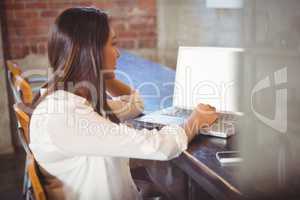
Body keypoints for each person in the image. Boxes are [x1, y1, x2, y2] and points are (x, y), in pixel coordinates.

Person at [29, 7, 218, 200]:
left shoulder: (73, 100)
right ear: (90, 52)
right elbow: (158, 146)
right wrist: (196, 120)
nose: (117, 53)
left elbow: (135, 104)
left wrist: (104, 75)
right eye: (112, 44)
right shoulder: (66, 115)